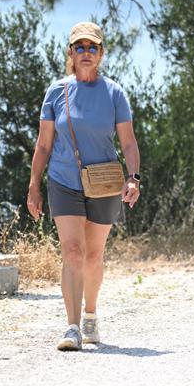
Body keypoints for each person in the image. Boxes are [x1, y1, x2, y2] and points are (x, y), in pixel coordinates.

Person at [27, 21, 141, 351]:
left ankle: (91, 314)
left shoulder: (114, 93)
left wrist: (133, 178)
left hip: (104, 183)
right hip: (63, 180)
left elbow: (128, 142)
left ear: (101, 53)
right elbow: (44, 144)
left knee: (93, 255)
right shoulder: (56, 92)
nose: (86, 53)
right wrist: (34, 186)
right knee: (73, 252)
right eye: (80, 47)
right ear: (71, 53)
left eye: (93, 47)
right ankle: (73, 327)